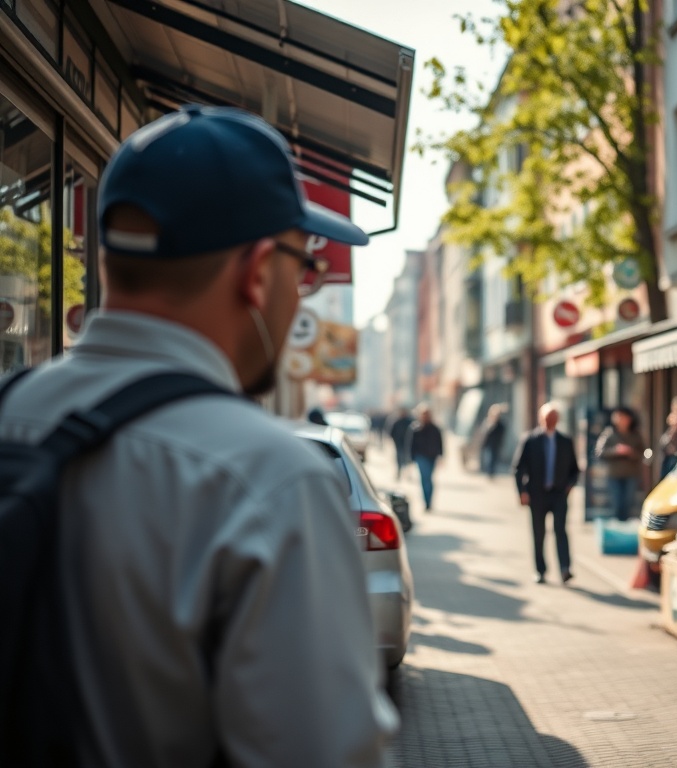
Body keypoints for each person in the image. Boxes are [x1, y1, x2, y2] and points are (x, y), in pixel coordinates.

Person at [0, 105, 396, 765]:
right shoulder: (269, 480)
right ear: (258, 271)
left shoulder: (12, 413)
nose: (302, 294)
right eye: (303, 269)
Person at [512, 402, 580, 584]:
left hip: (558, 494)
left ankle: (565, 568)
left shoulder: (565, 441)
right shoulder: (530, 440)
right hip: (537, 494)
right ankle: (540, 570)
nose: (550, 421)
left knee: (560, 531)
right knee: (538, 533)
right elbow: (518, 468)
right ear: (541, 419)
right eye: (547, 418)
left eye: (553, 418)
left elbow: (575, 469)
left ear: (558, 420)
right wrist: (522, 492)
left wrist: (569, 486)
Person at [594, 406, 647, 521]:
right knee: (617, 504)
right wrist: (616, 451)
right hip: (614, 475)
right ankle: (618, 528)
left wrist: (631, 453)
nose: (620, 419)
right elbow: (599, 452)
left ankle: (625, 529)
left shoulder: (635, 435)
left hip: (631, 475)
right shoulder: (609, 433)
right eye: (617, 416)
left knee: (628, 504)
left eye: (623, 417)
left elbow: (643, 453)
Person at [408, 405, 443, 512]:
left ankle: (429, 501)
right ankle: (426, 502)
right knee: (425, 478)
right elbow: (411, 444)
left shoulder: (435, 428)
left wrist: (441, 455)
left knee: (429, 479)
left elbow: (440, 442)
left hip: (431, 456)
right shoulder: (416, 428)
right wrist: (411, 457)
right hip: (420, 456)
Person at [386, 407, 414, 479]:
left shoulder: (410, 421)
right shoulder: (396, 421)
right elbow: (391, 432)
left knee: (407, 460)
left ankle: (407, 474)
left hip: (408, 445)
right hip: (398, 444)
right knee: (399, 459)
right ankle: (399, 472)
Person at [480, 403, 507, 478]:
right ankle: (489, 472)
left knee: (494, 458)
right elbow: (485, 432)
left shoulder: (500, 424)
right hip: (488, 444)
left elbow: (502, 432)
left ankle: (491, 472)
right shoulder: (488, 422)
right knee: (489, 458)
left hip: (496, 444)